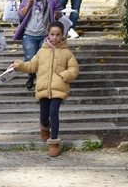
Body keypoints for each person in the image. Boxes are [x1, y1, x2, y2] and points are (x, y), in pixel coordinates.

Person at [10, 21, 80, 157]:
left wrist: (64, 75)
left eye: (58, 34)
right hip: (43, 88)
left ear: (62, 35)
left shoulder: (67, 53)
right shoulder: (42, 52)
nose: (55, 37)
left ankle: (53, 143)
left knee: (53, 113)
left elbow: (74, 69)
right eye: (52, 34)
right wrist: (18, 65)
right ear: (48, 34)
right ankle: (44, 126)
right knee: (44, 116)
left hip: (58, 89)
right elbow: (31, 66)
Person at [14, 0, 61, 90]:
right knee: (30, 60)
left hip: (45, 35)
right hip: (29, 34)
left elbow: (60, 13)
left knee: (44, 60)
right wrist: (29, 3)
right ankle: (31, 76)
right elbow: (21, 14)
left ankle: (42, 82)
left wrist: (57, 14)